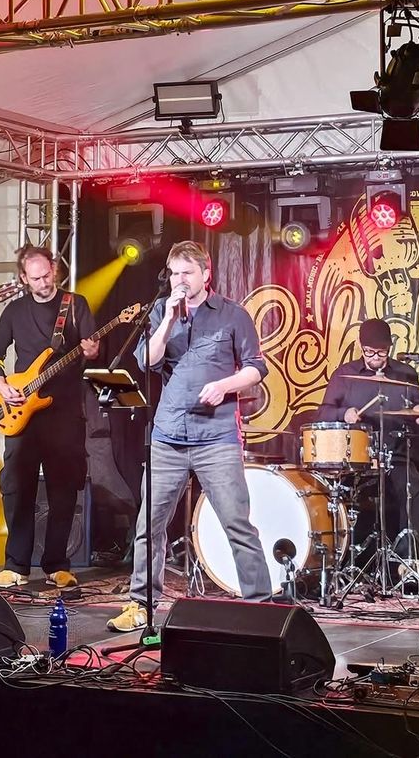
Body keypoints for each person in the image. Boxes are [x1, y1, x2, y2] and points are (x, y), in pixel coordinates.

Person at [107, 240, 272, 631]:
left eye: (188, 273)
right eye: (175, 273)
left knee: (237, 523)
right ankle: (142, 604)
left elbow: (256, 368)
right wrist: (165, 319)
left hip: (216, 436)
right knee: (151, 525)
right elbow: (148, 360)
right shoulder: (161, 312)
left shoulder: (232, 315)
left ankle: (262, 609)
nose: (180, 280)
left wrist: (226, 384)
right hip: (168, 434)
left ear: (205, 273)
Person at [0, 245, 99, 590]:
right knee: (16, 486)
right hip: (21, 410)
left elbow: (90, 351)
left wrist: (92, 352)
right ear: (24, 278)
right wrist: (1, 383)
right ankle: (16, 563)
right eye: (36, 278)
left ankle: (56, 563)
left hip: (64, 410)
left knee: (63, 487)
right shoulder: (14, 310)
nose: (44, 282)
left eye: (47, 274)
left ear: (54, 269)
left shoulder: (75, 304)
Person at [318, 318, 419, 572]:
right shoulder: (344, 375)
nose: (375, 357)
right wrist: (344, 413)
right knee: (334, 494)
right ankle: (339, 563)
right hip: (357, 460)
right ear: (360, 346)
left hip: (396, 455)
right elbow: (323, 412)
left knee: (412, 489)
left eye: (381, 352)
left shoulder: (406, 374)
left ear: (389, 348)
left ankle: (405, 562)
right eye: (370, 352)